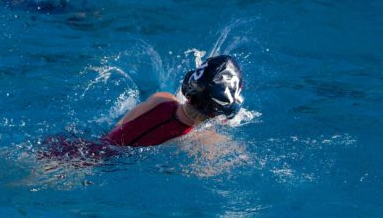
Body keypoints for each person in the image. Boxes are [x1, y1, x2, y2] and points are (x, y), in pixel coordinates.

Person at [37, 55, 245, 163]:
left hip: (75, 147)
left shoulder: (160, 99)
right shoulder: (203, 140)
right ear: (220, 112)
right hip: (95, 172)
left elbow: (119, 129)